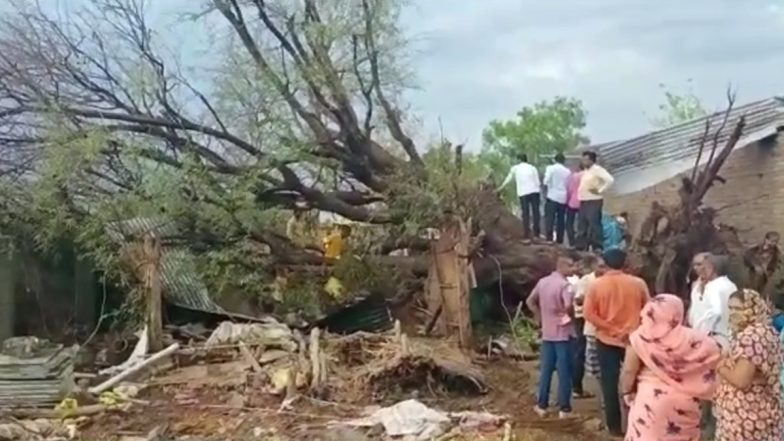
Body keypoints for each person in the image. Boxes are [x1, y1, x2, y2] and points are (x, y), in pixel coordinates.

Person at [620, 294, 722, 441]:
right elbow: (716, 357)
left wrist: (626, 392)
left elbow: (629, 371)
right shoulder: (694, 339)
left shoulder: (641, 337)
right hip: (685, 403)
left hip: (650, 402)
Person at [583, 249, 649, 437]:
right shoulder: (638, 283)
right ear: (625, 262)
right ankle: (639, 422)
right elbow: (649, 308)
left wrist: (612, 329)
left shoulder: (596, 285)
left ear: (605, 262)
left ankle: (614, 427)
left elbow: (588, 314)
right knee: (637, 381)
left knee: (609, 384)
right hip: (634, 339)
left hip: (606, 339)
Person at [715, 288, 783, 441]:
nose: (733, 313)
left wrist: (720, 367)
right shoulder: (768, 331)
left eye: (738, 308)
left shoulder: (751, 337)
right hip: (763, 409)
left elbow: (741, 380)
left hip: (747, 416)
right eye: (730, 308)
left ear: (752, 308)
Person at [526, 254, 578, 418]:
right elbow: (568, 305)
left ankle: (542, 405)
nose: (574, 269)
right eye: (571, 266)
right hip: (563, 333)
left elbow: (530, 301)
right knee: (564, 371)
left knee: (546, 370)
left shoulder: (543, 282)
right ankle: (564, 408)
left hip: (548, 333)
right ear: (561, 267)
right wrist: (570, 316)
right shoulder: (565, 285)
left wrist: (540, 317)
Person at [572, 256, 606, 398]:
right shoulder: (586, 280)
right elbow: (578, 300)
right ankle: (577, 387)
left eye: (604, 266)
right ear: (593, 267)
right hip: (583, 319)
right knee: (580, 352)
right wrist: (593, 299)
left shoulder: (606, 280)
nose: (603, 269)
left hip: (601, 320)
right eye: (600, 266)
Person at [576, 151, 614, 252]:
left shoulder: (597, 170)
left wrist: (599, 190)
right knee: (582, 224)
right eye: (583, 160)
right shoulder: (586, 171)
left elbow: (610, 180)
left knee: (594, 223)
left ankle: (598, 246)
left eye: (586, 160)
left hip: (593, 200)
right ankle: (581, 247)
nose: (584, 162)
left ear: (592, 160)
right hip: (584, 200)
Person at [497, 153, 541, 239]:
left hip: (523, 193)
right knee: (536, 213)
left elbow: (508, 179)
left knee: (526, 214)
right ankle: (536, 234)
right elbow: (538, 182)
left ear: (519, 160)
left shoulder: (515, 168)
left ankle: (527, 235)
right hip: (535, 191)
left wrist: (500, 187)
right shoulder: (533, 168)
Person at [542, 153, 571, 244]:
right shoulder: (568, 171)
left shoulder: (550, 168)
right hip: (563, 197)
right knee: (561, 219)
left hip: (552, 196)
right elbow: (568, 184)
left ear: (554, 160)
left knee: (550, 217)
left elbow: (545, 181)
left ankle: (549, 238)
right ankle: (559, 239)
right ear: (564, 161)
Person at [565, 165, 584, 247]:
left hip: (572, 202)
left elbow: (569, 189)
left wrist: (567, 200)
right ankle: (582, 242)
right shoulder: (587, 176)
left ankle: (572, 241)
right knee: (583, 223)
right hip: (583, 202)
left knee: (569, 223)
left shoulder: (573, 176)